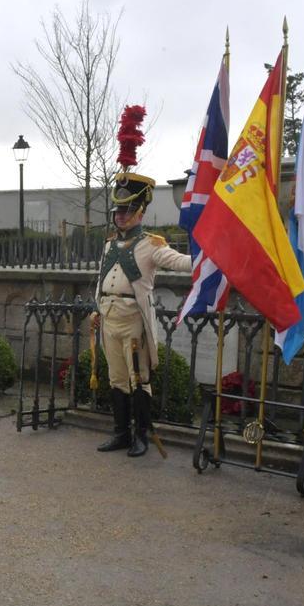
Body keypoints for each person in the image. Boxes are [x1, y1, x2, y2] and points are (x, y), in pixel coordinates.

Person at [91, 173, 192, 457]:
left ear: (140, 212)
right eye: (117, 212)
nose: (120, 217)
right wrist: (95, 308)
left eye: (126, 211)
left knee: (139, 379)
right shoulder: (109, 245)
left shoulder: (151, 244)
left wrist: (206, 261)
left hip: (134, 319)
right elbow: (102, 280)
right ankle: (121, 433)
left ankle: (141, 436)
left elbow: (177, 261)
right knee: (116, 378)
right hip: (109, 317)